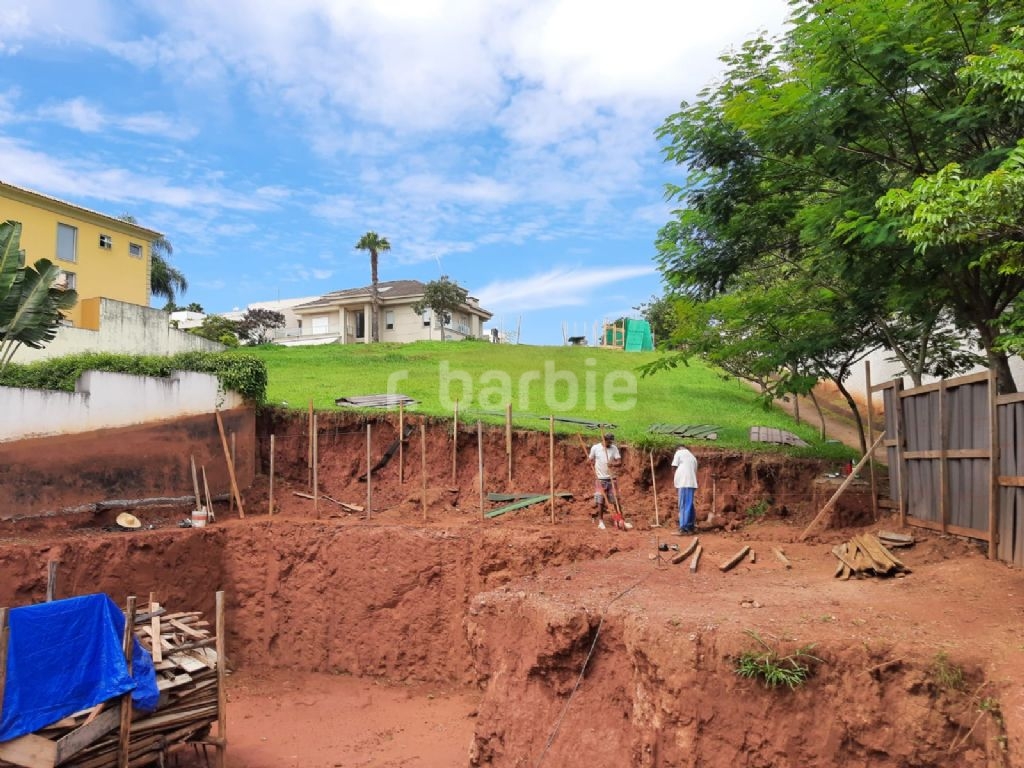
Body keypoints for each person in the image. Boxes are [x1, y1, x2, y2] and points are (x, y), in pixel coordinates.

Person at [589, 432, 622, 529]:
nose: (610, 443)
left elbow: (619, 462)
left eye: (611, 441)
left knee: (615, 500)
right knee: (600, 500)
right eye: (609, 441)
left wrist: (613, 464)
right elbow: (590, 459)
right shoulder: (595, 448)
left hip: (612, 478)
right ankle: (601, 521)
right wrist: (589, 461)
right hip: (600, 479)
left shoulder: (614, 448)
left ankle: (619, 519)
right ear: (604, 439)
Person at [672, 443, 699, 534]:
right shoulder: (692, 457)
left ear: (678, 448)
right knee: (689, 505)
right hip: (691, 483)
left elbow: (674, 466)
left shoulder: (679, 452)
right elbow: (694, 471)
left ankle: (683, 528)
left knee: (683, 505)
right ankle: (690, 527)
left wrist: (676, 479)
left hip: (684, 483)